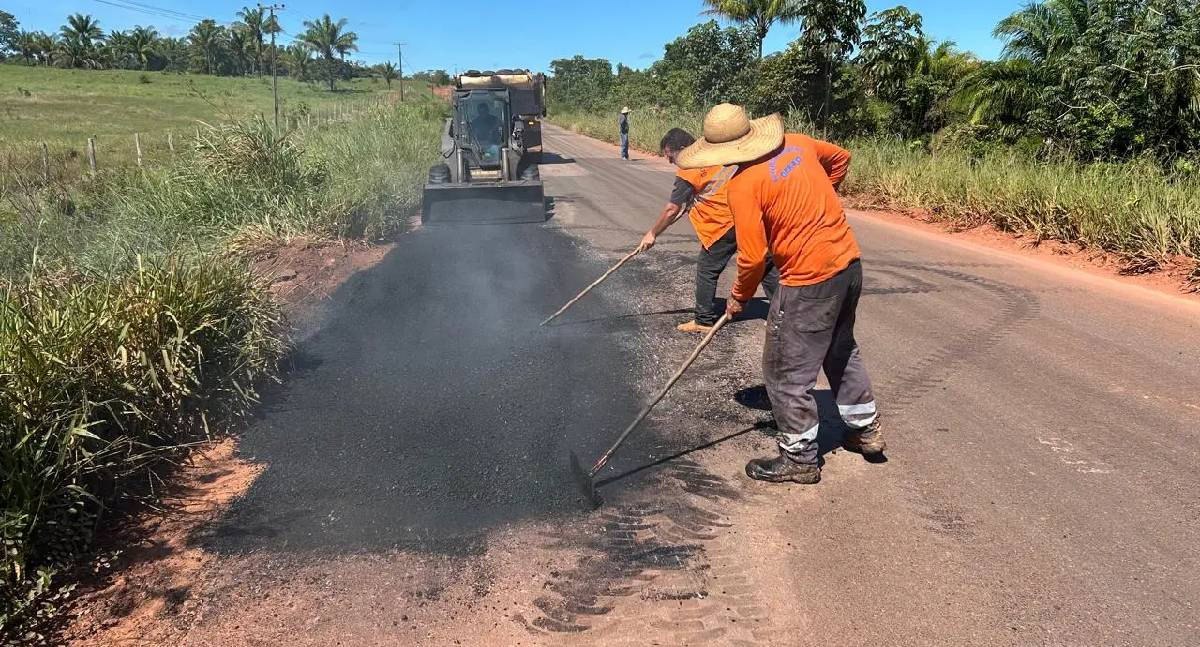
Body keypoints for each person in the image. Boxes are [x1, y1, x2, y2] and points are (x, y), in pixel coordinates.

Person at [676, 103, 885, 485]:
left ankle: (800, 457)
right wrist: (821, 199)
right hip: (847, 265)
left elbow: (753, 257)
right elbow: (841, 158)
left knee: (785, 371)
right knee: (841, 349)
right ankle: (864, 430)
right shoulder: (799, 144)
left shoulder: (743, 185)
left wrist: (739, 296)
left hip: (808, 281)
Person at [637, 127, 779, 333]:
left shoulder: (688, 169)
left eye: (671, 156)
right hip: (750, 215)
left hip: (723, 224)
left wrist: (652, 233)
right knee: (765, 266)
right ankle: (783, 316)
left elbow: (671, 209)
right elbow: (682, 208)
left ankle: (703, 320)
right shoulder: (718, 156)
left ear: (685, 149)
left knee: (707, 269)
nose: (670, 161)